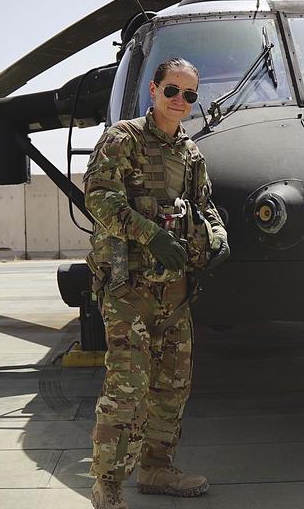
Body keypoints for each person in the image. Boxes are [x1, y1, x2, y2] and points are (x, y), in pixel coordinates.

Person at [83, 57, 229, 509]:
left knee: (171, 388)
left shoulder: (190, 153)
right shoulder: (123, 139)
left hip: (176, 293)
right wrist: (152, 235)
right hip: (129, 291)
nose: (180, 102)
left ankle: (157, 468)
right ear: (153, 90)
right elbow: (99, 199)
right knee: (126, 388)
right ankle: (107, 482)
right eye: (172, 91)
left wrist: (219, 236)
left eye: (189, 95)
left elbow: (203, 206)